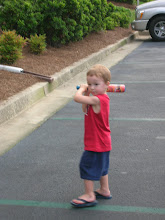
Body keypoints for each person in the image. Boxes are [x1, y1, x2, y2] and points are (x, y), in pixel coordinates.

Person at [70, 64, 112, 208]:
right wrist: (87, 93)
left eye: (96, 84)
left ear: (107, 85)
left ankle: (89, 195)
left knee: (86, 166)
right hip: (102, 142)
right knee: (102, 168)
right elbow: (84, 108)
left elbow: (77, 98)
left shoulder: (99, 99)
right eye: (89, 84)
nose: (92, 87)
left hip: (96, 143)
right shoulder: (97, 98)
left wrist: (82, 90)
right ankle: (104, 189)